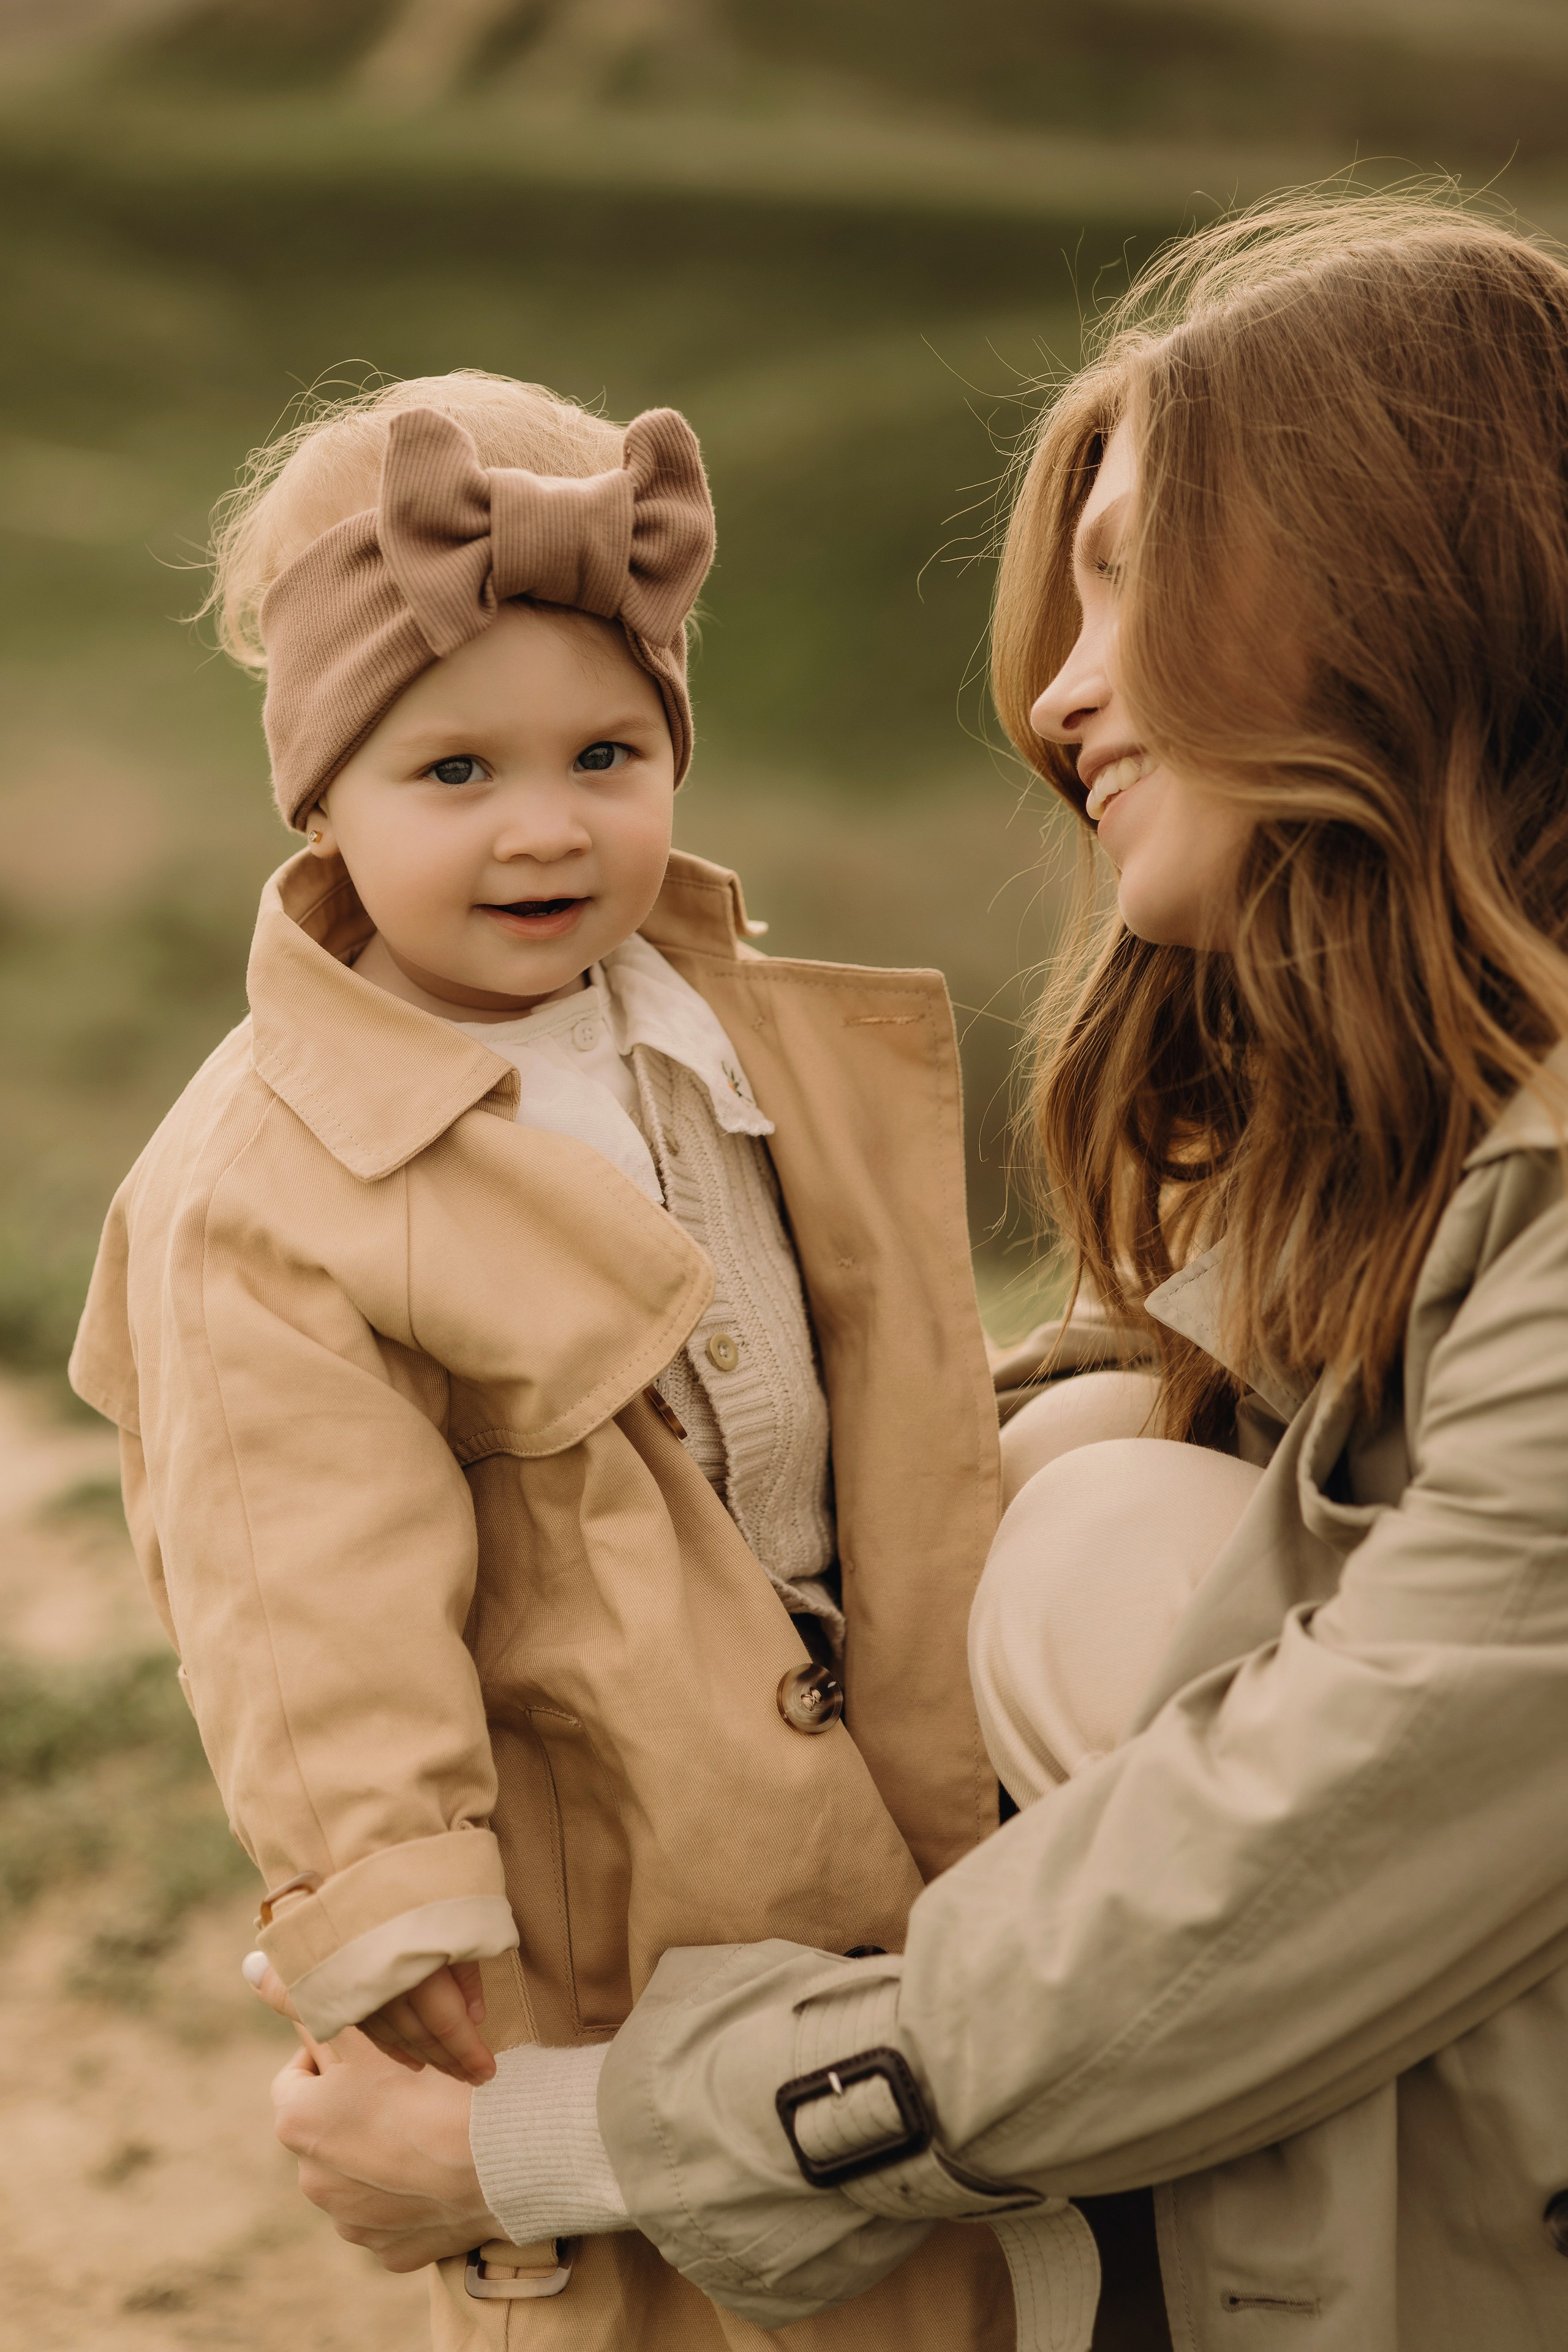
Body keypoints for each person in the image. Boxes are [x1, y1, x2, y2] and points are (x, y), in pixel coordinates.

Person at [258, 191, 1568, 2351]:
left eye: (1136, 581)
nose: (1060, 698)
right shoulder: (1421, 1136)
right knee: (1086, 1467)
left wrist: (560, 2141)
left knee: (1088, 1546)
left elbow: (1264, 1881)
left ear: (1379, 594)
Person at [69, 369, 1017, 2350]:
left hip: (861, 1778)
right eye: (455, 774)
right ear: (319, 790)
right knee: (641, 2293)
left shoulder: (717, 1032)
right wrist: (384, 1880)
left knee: (926, 2256)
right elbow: (287, 1560)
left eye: (604, 752)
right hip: (589, 1844)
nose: (546, 828)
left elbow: (884, 1360)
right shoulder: (272, 1178)